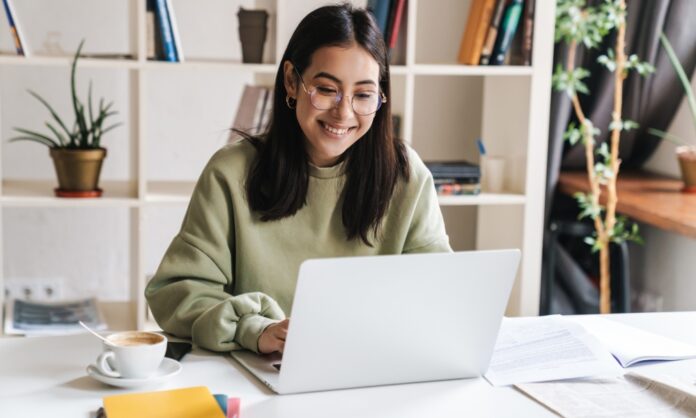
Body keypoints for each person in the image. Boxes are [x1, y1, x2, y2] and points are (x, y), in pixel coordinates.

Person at [145, 4, 451, 355]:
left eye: (363, 95)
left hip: (373, 366)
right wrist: (253, 328)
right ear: (292, 81)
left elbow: (437, 292)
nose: (344, 112)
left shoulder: (406, 176)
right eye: (326, 89)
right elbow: (176, 291)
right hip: (260, 371)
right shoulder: (231, 173)